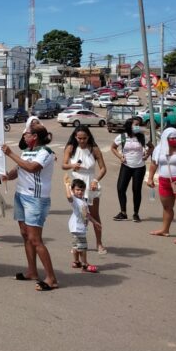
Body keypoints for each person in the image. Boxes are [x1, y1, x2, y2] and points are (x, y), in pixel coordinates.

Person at [2, 125, 58, 292]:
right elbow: (18, 170)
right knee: (25, 235)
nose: (24, 137)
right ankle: (32, 271)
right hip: (20, 195)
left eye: (26, 134)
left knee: (35, 239)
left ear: (34, 136)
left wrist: (10, 154)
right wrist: (5, 176)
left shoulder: (46, 152)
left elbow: (32, 168)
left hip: (35, 199)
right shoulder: (26, 150)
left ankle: (51, 278)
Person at [62, 126, 108, 254]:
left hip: (91, 181)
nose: (82, 141)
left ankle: (99, 243)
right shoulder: (71, 148)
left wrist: (96, 180)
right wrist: (72, 165)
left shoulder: (94, 149)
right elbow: (63, 165)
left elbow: (103, 168)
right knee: (80, 214)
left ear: (88, 137)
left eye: (84, 138)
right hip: (77, 183)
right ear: (75, 137)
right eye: (79, 138)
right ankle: (77, 244)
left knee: (94, 214)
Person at [110, 117, 151, 222]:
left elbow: (151, 147)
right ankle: (123, 213)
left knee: (136, 190)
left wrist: (146, 156)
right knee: (120, 188)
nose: (138, 126)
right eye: (135, 124)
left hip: (139, 167)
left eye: (139, 124)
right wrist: (120, 156)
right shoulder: (122, 137)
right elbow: (113, 147)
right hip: (126, 166)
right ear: (129, 125)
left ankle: (136, 214)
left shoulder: (142, 137)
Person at [64, 177, 100, 273]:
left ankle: (76, 262)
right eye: (77, 190)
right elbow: (68, 197)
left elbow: (87, 214)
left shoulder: (83, 200)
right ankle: (85, 264)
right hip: (77, 227)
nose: (80, 192)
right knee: (83, 247)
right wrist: (67, 185)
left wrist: (95, 222)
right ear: (73, 190)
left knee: (76, 245)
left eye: (82, 190)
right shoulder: (74, 200)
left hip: (80, 227)